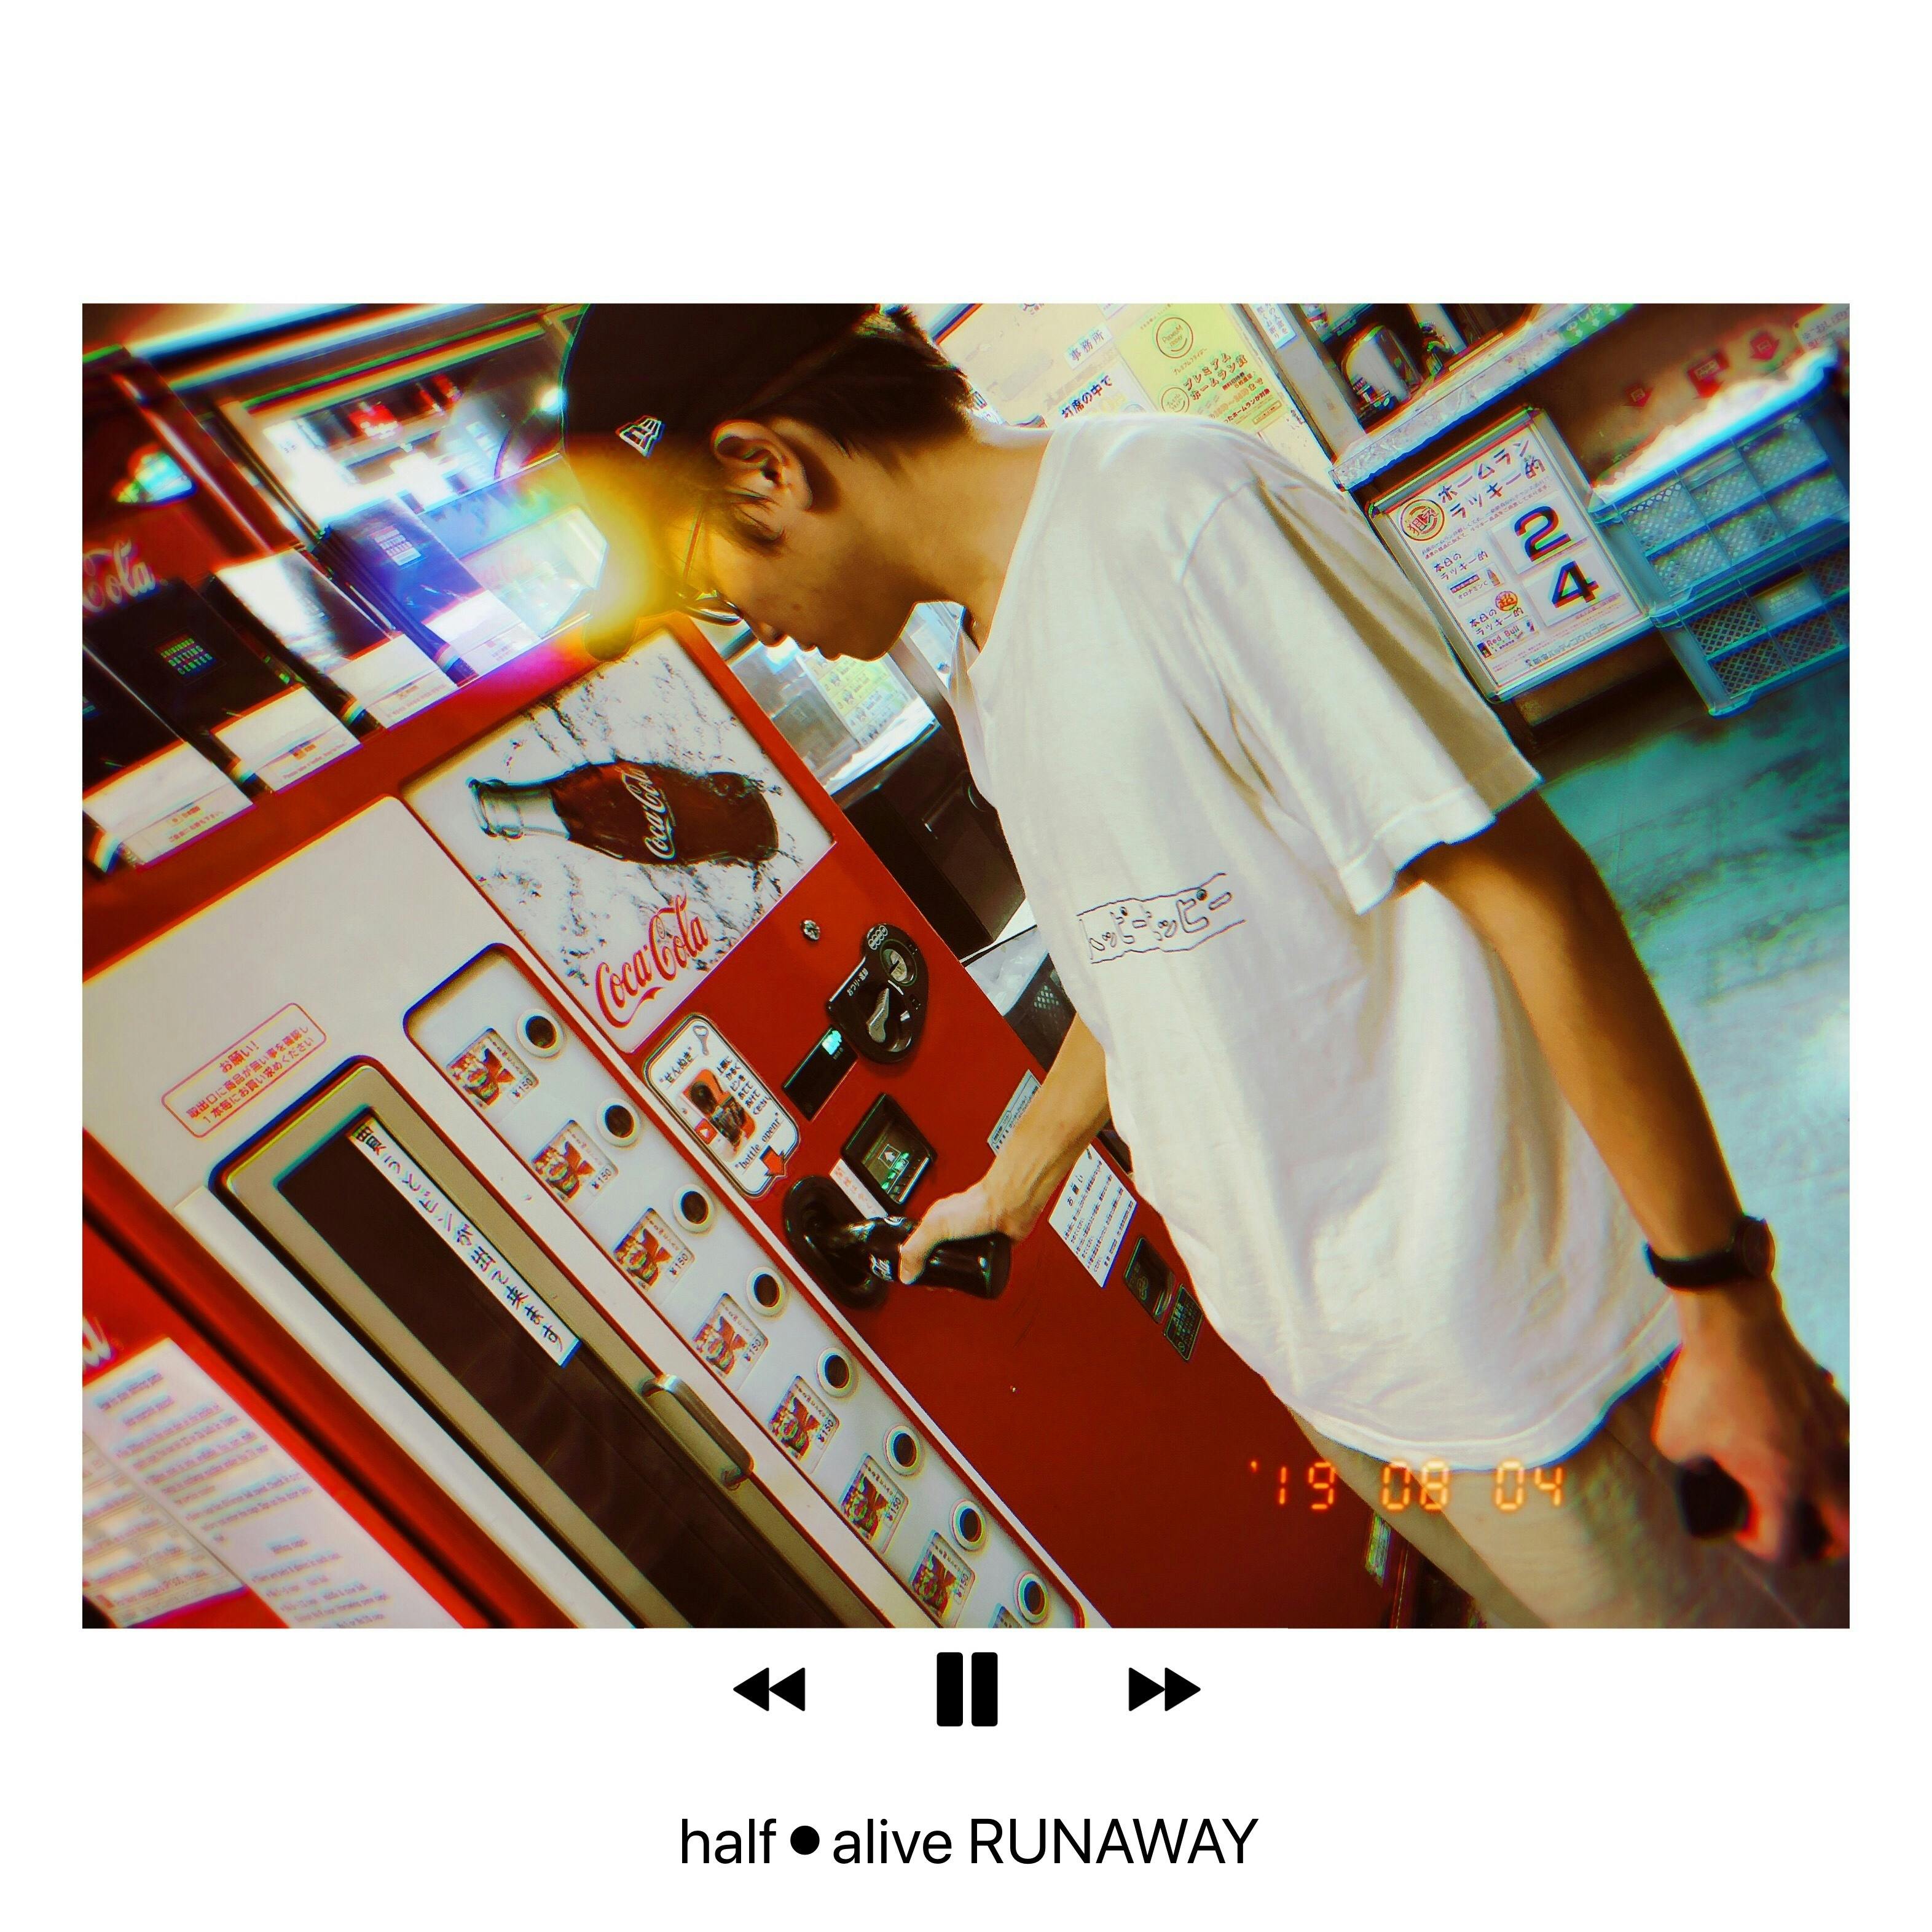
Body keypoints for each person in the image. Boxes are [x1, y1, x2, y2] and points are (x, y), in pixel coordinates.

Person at [560, 304, 1850, 1627]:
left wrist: (1724, 1305)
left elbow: (1535, 898)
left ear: (768, 466)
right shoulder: (985, 658)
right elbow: (1141, 953)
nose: (747, 622)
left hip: (1538, 1354)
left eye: (708, 578)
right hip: (1345, 1374)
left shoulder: (1180, 517)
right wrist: (1014, 1184)